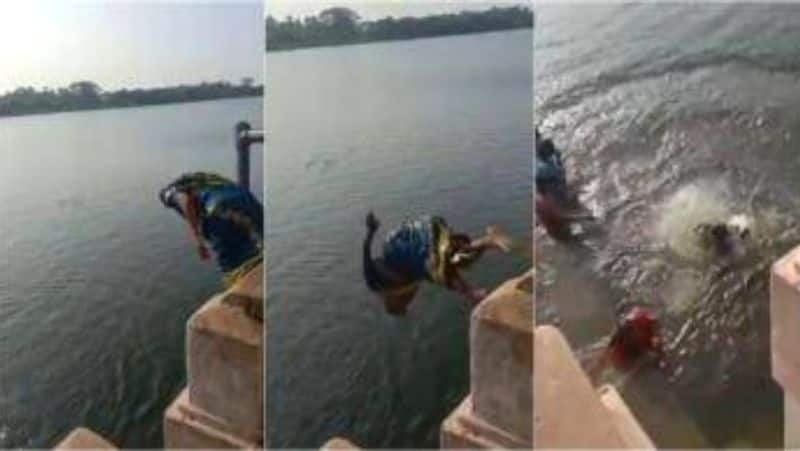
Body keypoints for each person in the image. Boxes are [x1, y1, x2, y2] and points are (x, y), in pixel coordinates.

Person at [362, 212, 511, 316]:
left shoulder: (375, 282)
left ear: (391, 301)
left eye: (403, 304)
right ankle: (489, 239)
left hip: (403, 247)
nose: (409, 301)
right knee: (458, 259)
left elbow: (366, 253)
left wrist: (371, 230)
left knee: (440, 268)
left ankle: (472, 294)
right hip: (419, 241)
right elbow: (444, 275)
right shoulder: (409, 282)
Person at [159, 172, 264, 290]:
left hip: (218, 208)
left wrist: (198, 239)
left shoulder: (171, 192)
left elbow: (185, 200)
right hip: (248, 201)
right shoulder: (207, 180)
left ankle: (241, 292)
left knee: (233, 266)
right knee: (260, 248)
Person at [588, 306, 667, 381]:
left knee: (608, 365)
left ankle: (596, 374)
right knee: (603, 360)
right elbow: (623, 327)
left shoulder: (655, 338)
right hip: (621, 346)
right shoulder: (641, 317)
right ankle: (593, 372)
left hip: (627, 357)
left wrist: (658, 360)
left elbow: (658, 354)